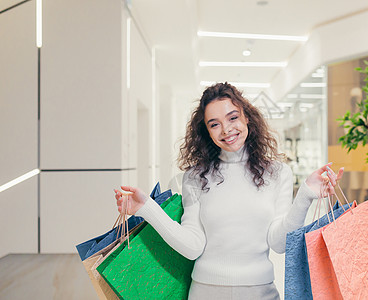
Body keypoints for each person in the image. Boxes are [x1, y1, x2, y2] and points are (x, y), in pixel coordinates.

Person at [114, 82, 343, 300]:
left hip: (260, 292)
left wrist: (305, 195)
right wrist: (147, 208)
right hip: (205, 292)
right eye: (214, 124)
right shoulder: (195, 177)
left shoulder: (277, 172)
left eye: (232, 117)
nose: (226, 130)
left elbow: (279, 243)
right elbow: (192, 247)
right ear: (207, 132)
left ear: (247, 118)